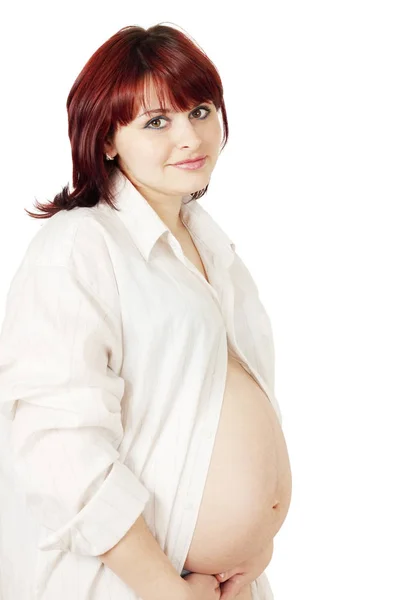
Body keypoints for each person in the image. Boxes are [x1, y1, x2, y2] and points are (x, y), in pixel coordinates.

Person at [0, 23, 292, 600]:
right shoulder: (80, 246)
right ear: (106, 139)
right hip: (136, 587)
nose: (190, 137)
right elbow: (57, 444)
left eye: (201, 111)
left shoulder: (214, 249)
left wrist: (256, 548)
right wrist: (163, 587)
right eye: (156, 121)